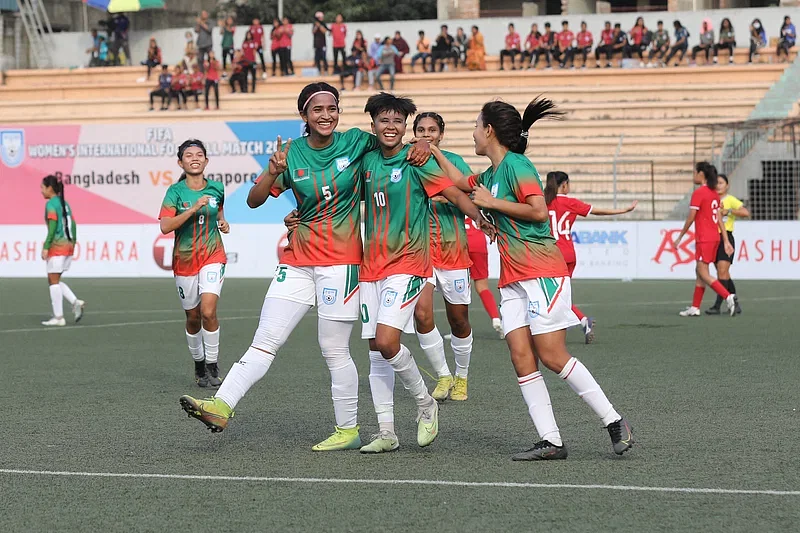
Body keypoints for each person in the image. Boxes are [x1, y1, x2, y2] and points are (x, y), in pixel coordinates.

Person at [179, 82, 431, 450]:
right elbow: (253, 200)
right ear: (304, 116)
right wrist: (270, 171)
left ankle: (347, 429)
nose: (326, 115)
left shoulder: (357, 142)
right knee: (265, 339)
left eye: (332, 108)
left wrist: (423, 144)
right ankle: (222, 405)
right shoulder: (290, 153)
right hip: (297, 260)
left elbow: (392, 137)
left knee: (333, 350)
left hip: (342, 264)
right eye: (317, 109)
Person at [435, 97, 634, 460]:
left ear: (490, 130)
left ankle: (614, 421)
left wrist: (492, 205)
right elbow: (458, 180)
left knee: (552, 354)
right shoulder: (492, 174)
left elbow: (539, 211)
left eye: (477, 126)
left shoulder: (517, 165)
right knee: (521, 356)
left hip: (542, 271)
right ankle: (551, 440)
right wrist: (431, 148)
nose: (473, 133)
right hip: (513, 278)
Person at [357, 93, 487, 454]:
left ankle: (425, 402)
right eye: (385, 120)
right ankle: (386, 431)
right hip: (371, 268)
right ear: (373, 126)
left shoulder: (417, 161)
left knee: (387, 342)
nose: (391, 126)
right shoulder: (365, 160)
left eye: (398, 121)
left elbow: (455, 192)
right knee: (374, 351)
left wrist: (478, 216)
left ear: (405, 129)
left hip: (409, 263)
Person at [415, 112, 479, 401]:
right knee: (422, 314)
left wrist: (448, 194)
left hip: (453, 251)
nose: (426, 134)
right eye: (420, 129)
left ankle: (462, 377)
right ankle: (443, 375)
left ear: (441, 134)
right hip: (419, 251)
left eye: (432, 130)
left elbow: (471, 191)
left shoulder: (454, 162)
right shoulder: (407, 161)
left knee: (459, 321)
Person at [159, 139, 229, 387]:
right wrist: (191, 210)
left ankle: (212, 365)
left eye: (199, 154)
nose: (195, 158)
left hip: (213, 255)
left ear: (206, 161)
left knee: (209, 311)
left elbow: (218, 210)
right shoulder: (175, 192)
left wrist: (222, 221)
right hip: (185, 260)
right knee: (193, 317)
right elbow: (165, 226)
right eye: (189, 155)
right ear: (181, 162)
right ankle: (199, 363)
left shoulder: (217, 188)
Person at [543, 171, 638, 344]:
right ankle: (580, 321)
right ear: (564, 185)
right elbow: (598, 211)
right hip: (569, 253)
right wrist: (624, 209)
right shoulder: (571, 203)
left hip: (551, 254)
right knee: (559, 295)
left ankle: (561, 327)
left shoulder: (543, 202)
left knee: (549, 294)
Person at [673, 162, 737, 317]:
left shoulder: (700, 193)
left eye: (695, 172)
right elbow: (720, 219)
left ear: (701, 174)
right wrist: (726, 241)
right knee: (699, 272)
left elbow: (691, 218)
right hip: (714, 238)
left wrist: (680, 236)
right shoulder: (714, 194)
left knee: (703, 272)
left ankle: (728, 296)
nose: (693, 175)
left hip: (704, 238)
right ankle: (695, 307)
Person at [40, 174, 84, 327]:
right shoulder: (64, 203)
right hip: (68, 246)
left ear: (49, 188)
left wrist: (46, 246)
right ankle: (75, 302)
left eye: (42, 187)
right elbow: (73, 225)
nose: (41, 191)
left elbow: (52, 228)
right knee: (55, 280)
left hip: (58, 247)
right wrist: (73, 242)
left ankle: (59, 317)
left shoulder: (51, 204)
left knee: (53, 282)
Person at [706, 174, 748, 315]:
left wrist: (729, 211)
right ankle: (734, 302)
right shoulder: (711, 199)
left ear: (727, 185)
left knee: (722, 272)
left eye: (721, 182)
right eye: (716, 182)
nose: (718, 185)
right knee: (722, 273)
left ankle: (718, 305)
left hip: (726, 238)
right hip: (712, 238)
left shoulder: (730, 200)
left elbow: (745, 212)